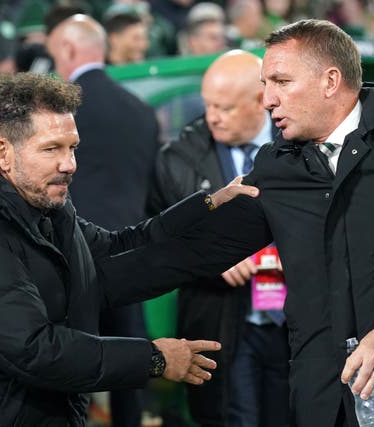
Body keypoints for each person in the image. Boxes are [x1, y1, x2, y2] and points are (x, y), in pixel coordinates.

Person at [104, 19, 374, 426]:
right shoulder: (278, 167)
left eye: (281, 81)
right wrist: (88, 286)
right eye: (265, 84)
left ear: (330, 81)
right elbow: (194, 254)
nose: (267, 100)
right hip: (326, 404)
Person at [0, 72, 259, 426]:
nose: (69, 164)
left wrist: (207, 204)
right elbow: (35, 349)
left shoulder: (47, 207)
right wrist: (154, 358)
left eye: (72, 147)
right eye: (51, 149)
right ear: (3, 153)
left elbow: (119, 246)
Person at [148, 50, 289, 427]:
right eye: (209, 104)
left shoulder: (303, 141)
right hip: (221, 323)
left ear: (260, 100)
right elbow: (160, 238)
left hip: (294, 321)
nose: (212, 116)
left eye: (224, 108)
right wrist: (213, 258)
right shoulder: (178, 158)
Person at [46, 13, 160, 427]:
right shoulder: (142, 112)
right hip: (129, 256)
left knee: (67, 365)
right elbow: (152, 192)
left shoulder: (55, 114)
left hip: (67, 256)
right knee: (130, 365)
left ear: (68, 50)